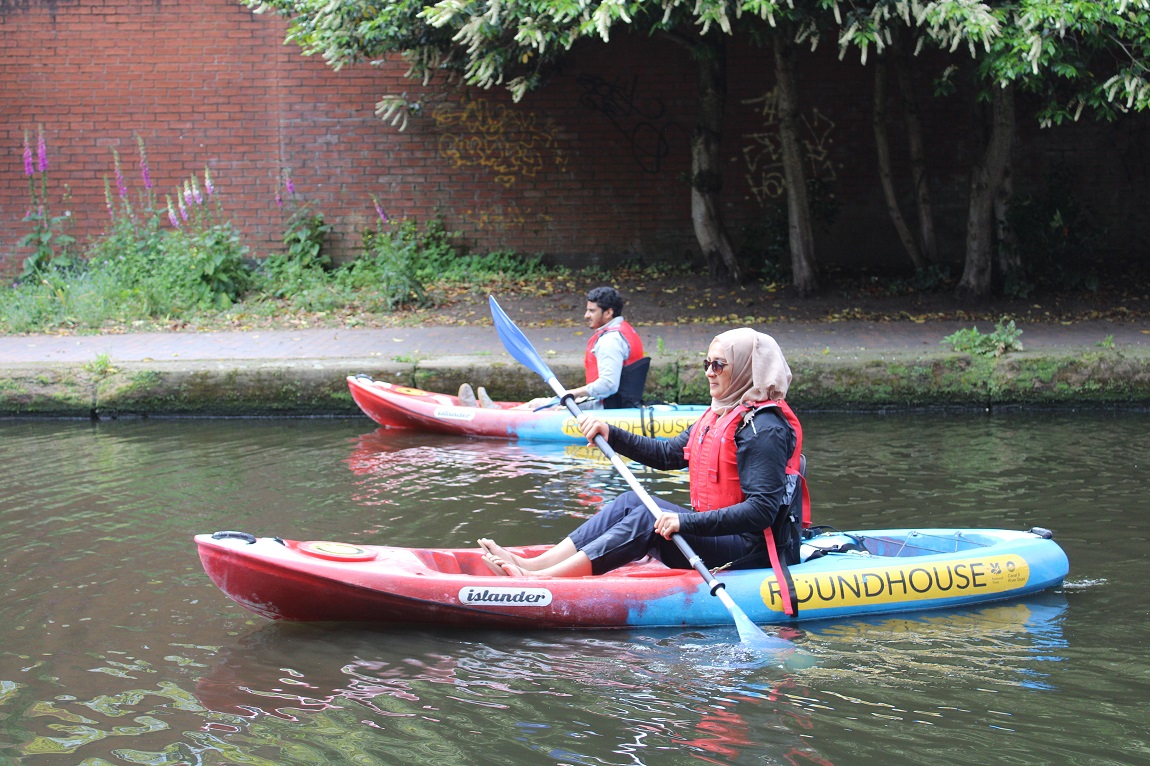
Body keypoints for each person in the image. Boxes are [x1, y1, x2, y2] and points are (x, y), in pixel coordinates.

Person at [478, 328, 808, 611]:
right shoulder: (721, 413)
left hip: (752, 551)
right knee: (632, 501)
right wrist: (612, 434)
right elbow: (667, 454)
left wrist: (683, 521)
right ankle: (534, 564)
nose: (709, 371)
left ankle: (542, 581)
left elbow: (761, 511)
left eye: (719, 365)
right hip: (718, 535)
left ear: (745, 370)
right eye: (707, 363)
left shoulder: (763, 428)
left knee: (648, 517)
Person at [460, 286, 648, 410]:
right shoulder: (622, 331)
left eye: (592, 311)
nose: (586, 315)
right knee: (542, 402)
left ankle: (493, 415)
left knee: (540, 405)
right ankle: (495, 410)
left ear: (608, 313)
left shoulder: (610, 341)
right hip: (614, 402)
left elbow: (608, 385)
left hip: (606, 406)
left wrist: (572, 393)